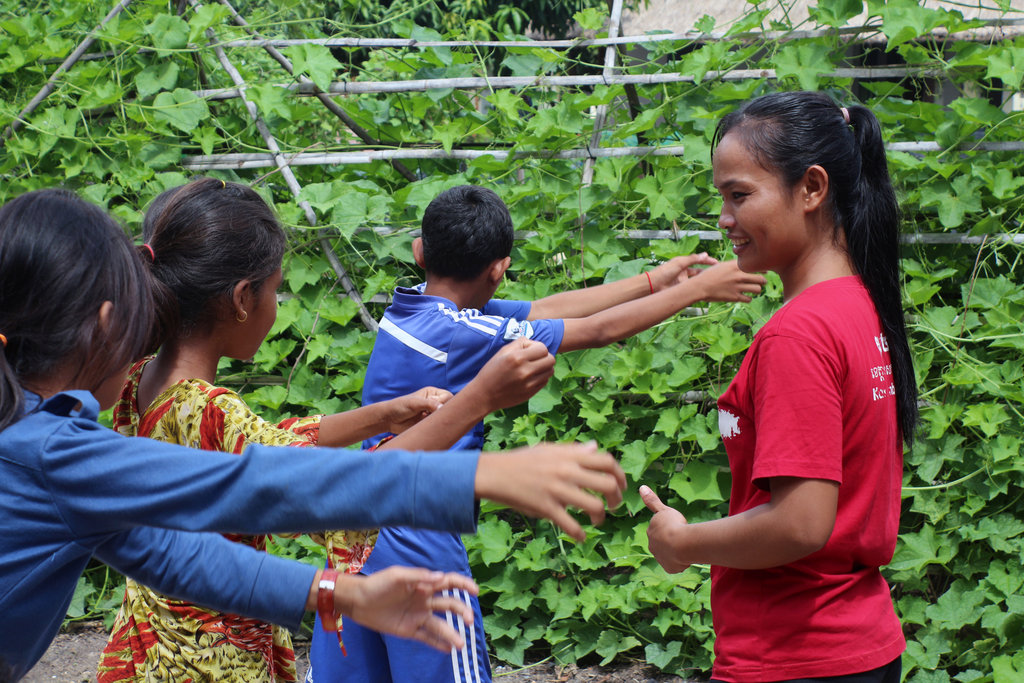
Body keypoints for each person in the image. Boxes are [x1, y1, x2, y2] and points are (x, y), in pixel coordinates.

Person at [0, 187, 627, 682]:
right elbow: (257, 482)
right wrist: (474, 467)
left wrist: (336, 591)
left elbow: (175, 554)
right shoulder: (56, 450)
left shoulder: (44, 426)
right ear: (102, 326)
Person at [310, 184, 766, 683]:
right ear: (498, 268)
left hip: (353, 533)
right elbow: (596, 331)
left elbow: (546, 308)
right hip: (420, 538)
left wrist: (655, 280)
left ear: (420, 251)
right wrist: (696, 289)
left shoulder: (413, 307)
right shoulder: (467, 333)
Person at [641, 91, 918, 683]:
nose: (724, 218)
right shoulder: (859, 308)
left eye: (740, 195)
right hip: (861, 642)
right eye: (722, 197)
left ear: (812, 189)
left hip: (792, 653)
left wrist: (682, 540)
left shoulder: (799, 334)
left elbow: (799, 523)